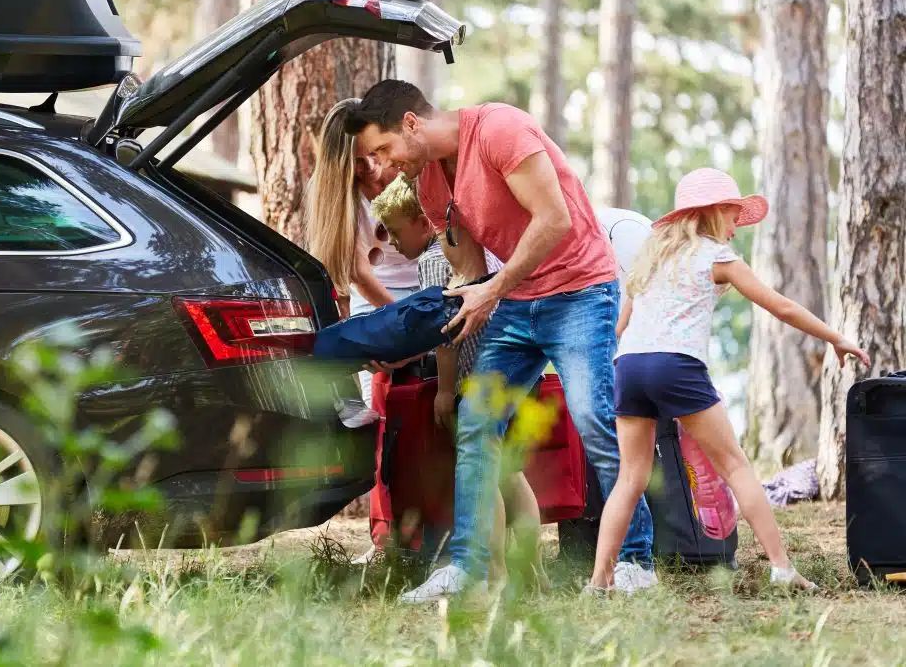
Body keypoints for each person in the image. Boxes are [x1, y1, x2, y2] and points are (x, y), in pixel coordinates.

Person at [346, 80, 656, 602]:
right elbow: (467, 270)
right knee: (475, 425)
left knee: (595, 422)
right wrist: (418, 329)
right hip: (516, 305)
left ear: (412, 124)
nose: (380, 166)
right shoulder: (428, 186)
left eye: (383, 149)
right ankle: (467, 568)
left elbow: (554, 219)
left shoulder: (499, 130)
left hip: (579, 293)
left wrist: (492, 290)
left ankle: (635, 561)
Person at [586, 168, 871, 593]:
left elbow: (622, 326)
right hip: (675, 364)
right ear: (716, 212)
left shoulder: (650, 259)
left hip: (629, 367)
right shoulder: (716, 257)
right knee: (736, 466)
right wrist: (836, 338)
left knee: (630, 479)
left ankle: (598, 582)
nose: (738, 226)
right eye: (735, 215)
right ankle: (781, 568)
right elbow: (782, 308)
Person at [370, 173, 542, 587]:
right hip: (518, 371)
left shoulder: (435, 260)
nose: (392, 243)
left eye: (395, 231)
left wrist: (445, 392)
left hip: (476, 378)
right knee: (511, 473)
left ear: (422, 220)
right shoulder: (481, 247)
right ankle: (534, 571)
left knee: (485, 472)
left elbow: (444, 331)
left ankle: (495, 571)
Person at [303, 99, 420, 422]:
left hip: (430, 282)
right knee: (381, 409)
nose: (370, 167)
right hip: (377, 299)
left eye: (373, 153)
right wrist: (398, 330)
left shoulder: (407, 168)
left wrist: (419, 328)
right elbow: (358, 272)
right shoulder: (335, 194)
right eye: (357, 161)